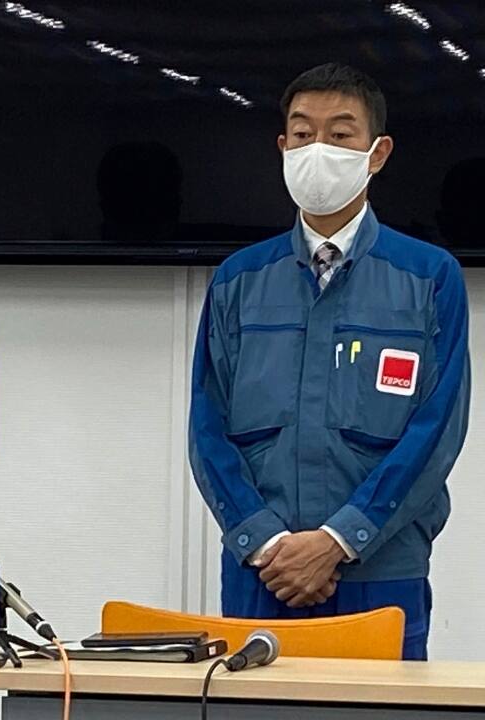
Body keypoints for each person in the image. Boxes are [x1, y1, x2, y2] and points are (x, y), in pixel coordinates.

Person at [189, 63, 469, 660]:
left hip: (380, 570)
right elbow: (206, 428)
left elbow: (436, 430)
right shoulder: (240, 279)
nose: (319, 149)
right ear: (282, 146)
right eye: (303, 132)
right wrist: (265, 542)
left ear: (377, 152)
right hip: (262, 573)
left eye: (341, 134)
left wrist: (342, 539)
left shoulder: (427, 276)